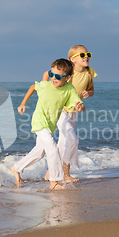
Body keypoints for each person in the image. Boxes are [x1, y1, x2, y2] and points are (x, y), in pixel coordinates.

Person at [10, 58, 85, 190]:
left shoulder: (69, 89)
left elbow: (78, 104)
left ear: (68, 78)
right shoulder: (46, 85)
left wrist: (80, 107)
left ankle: (16, 168)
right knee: (53, 148)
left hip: (50, 125)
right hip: (39, 122)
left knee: (39, 153)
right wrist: (23, 104)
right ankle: (54, 181)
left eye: (57, 76)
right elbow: (33, 87)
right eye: (51, 74)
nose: (53, 79)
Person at [43, 45, 97, 183]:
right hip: (61, 110)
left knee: (64, 141)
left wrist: (87, 94)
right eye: (83, 55)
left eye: (88, 55)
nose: (87, 58)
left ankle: (52, 172)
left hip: (74, 111)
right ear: (73, 59)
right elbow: (53, 81)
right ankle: (64, 173)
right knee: (72, 140)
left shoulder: (89, 72)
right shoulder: (68, 72)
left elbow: (91, 90)